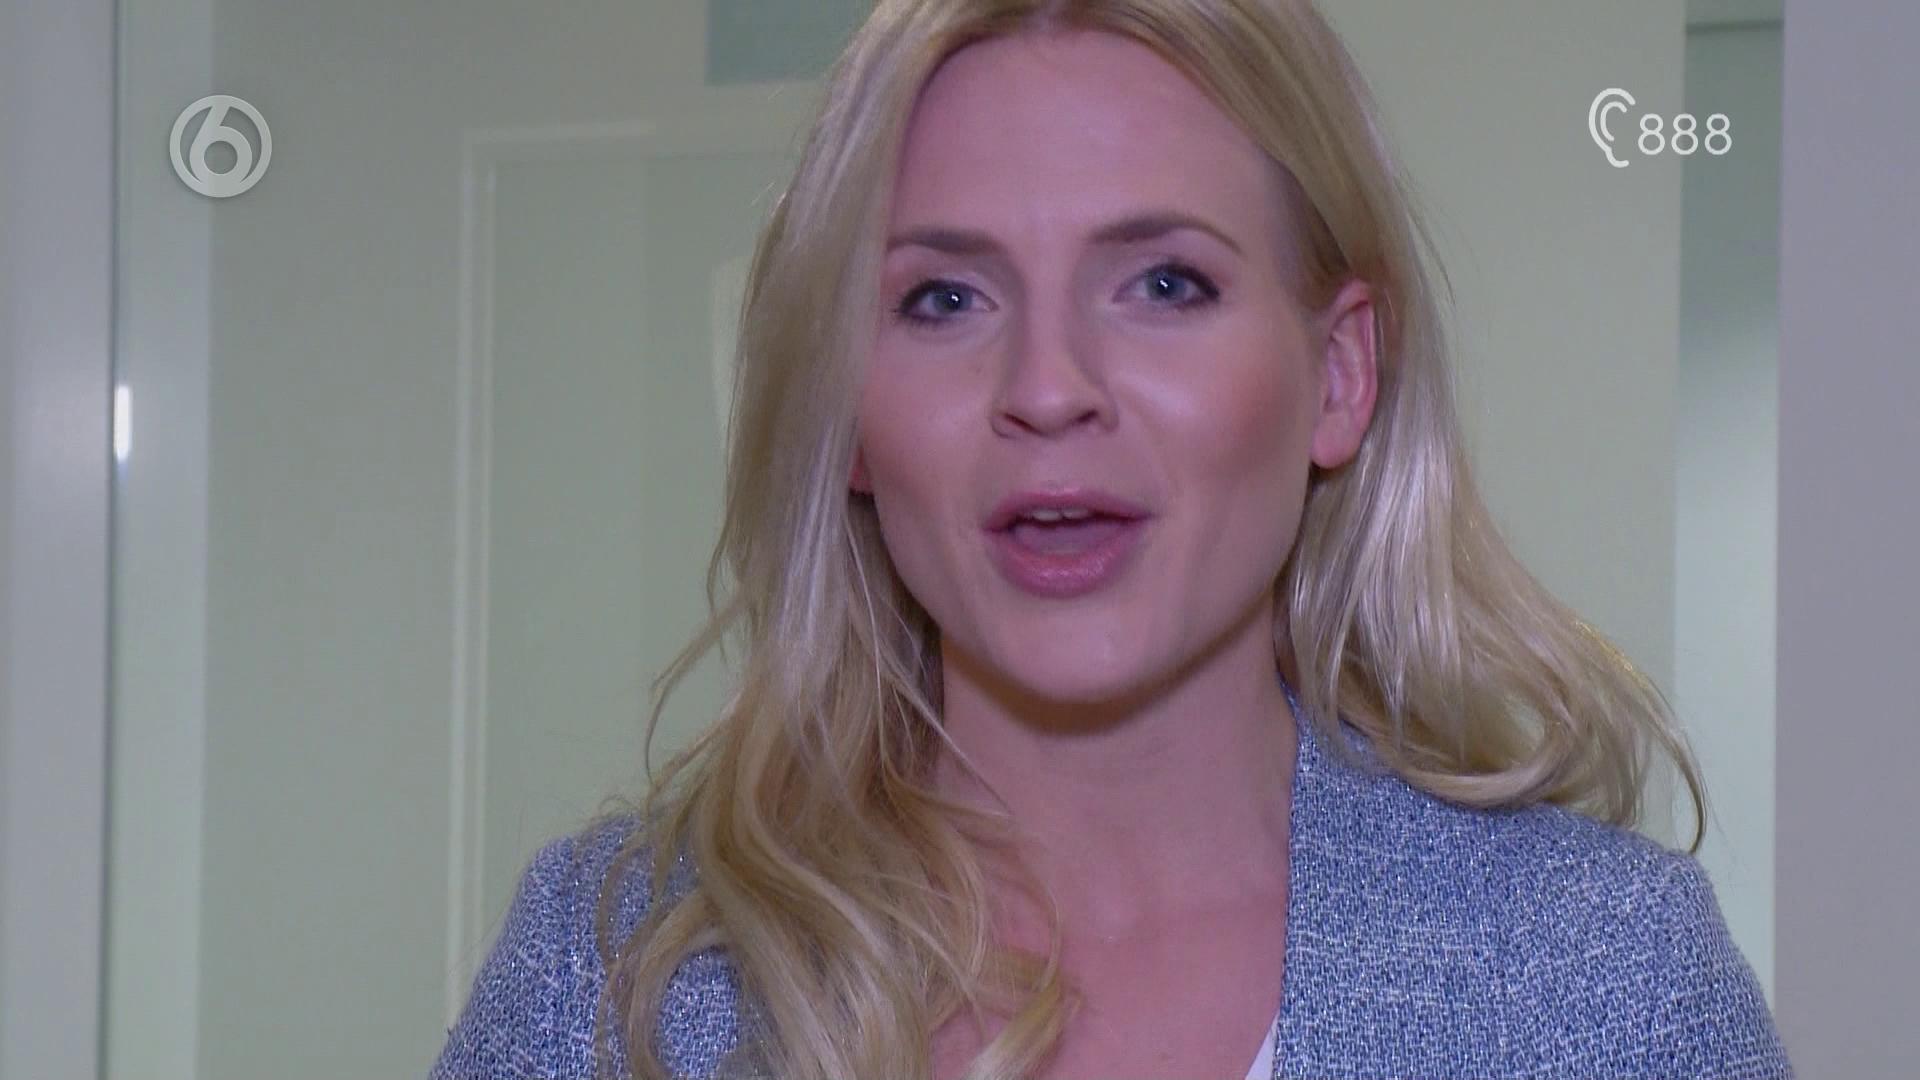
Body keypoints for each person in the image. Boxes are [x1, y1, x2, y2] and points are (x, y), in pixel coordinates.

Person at [432, 2, 1790, 1078]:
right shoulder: (608, 981)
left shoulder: (1606, 983)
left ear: (1338, 375)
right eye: (944, 298)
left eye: (1164, 283)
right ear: (842, 409)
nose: (1047, 387)